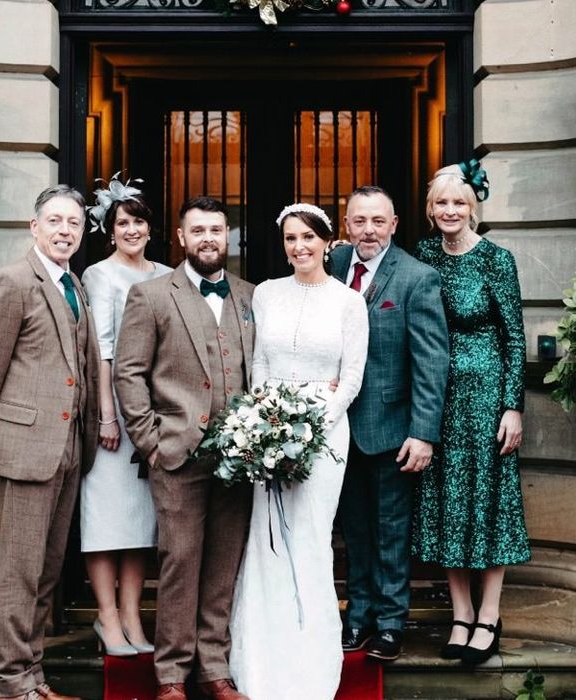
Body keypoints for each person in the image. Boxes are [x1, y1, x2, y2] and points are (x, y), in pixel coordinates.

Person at [113, 196, 255, 700]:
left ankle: (214, 667)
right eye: (198, 230)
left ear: (228, 236)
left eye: (216, 229)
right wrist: (152, 441)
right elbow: (127, 372)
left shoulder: (248, 296)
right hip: (176, 453)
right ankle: (172, 674)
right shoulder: (151, 295)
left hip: (240, 459)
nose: (209, 238)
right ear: (180, 237)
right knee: (180, 563)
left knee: (223, 566)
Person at [0, 185, 100, 700]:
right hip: (25, 449)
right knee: (20, 573)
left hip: (67, 449)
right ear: (34, 227)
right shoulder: (12, 282)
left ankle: (33, 676)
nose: (66, 231)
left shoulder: (75, 286)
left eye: (75, 224)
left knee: (45, 573)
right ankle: (9, 685)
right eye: (56, 221)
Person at [228, 203, 368, 700]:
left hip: (325, 435)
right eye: (291, 238)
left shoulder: (349, 303)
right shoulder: (266, 294)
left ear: (328, 242)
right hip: (267, 430)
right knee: (266, 540)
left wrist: (313, 423)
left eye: (309, 237)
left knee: (308, 539)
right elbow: (259, 365)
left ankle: (310, 659)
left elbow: (352, 376)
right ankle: (263, 657)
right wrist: (264, 424)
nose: (299, 246)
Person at [411, 162, 530, 665]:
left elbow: (515, 338)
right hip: (436, 398)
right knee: (445, 506)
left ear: (473, 208)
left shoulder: (496, 260)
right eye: (441, 203)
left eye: (458, 203)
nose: (450, 211)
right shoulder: (420, 257)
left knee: (488, 505)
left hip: (485, 401)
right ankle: (461, 613)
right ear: (430, 209)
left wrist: (513, 407)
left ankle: (490, 615)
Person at [331, 186, 450, 662]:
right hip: (338, 429)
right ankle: (357, 615)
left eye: (378, 221)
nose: (368, 231)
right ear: (346, 224)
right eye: (359, 221)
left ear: (395, 224)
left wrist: (423, 433)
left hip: (393, 429)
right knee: (353, 529)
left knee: (392, 530)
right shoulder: (332, 267)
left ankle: (390, 622)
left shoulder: (418, 278)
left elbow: (432, 362)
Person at [80, 176, 172, 656]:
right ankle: (106, 616)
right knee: (105, 519)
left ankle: (134, 617)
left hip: (156, 415)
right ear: (109, 230)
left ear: (151, 229)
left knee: (141, 523)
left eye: (139, 221)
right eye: (123, 222)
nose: (132, 229)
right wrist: (107, 417)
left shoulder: (165, 274)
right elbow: (103, 351)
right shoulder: (100, 275)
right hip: (115, 414)